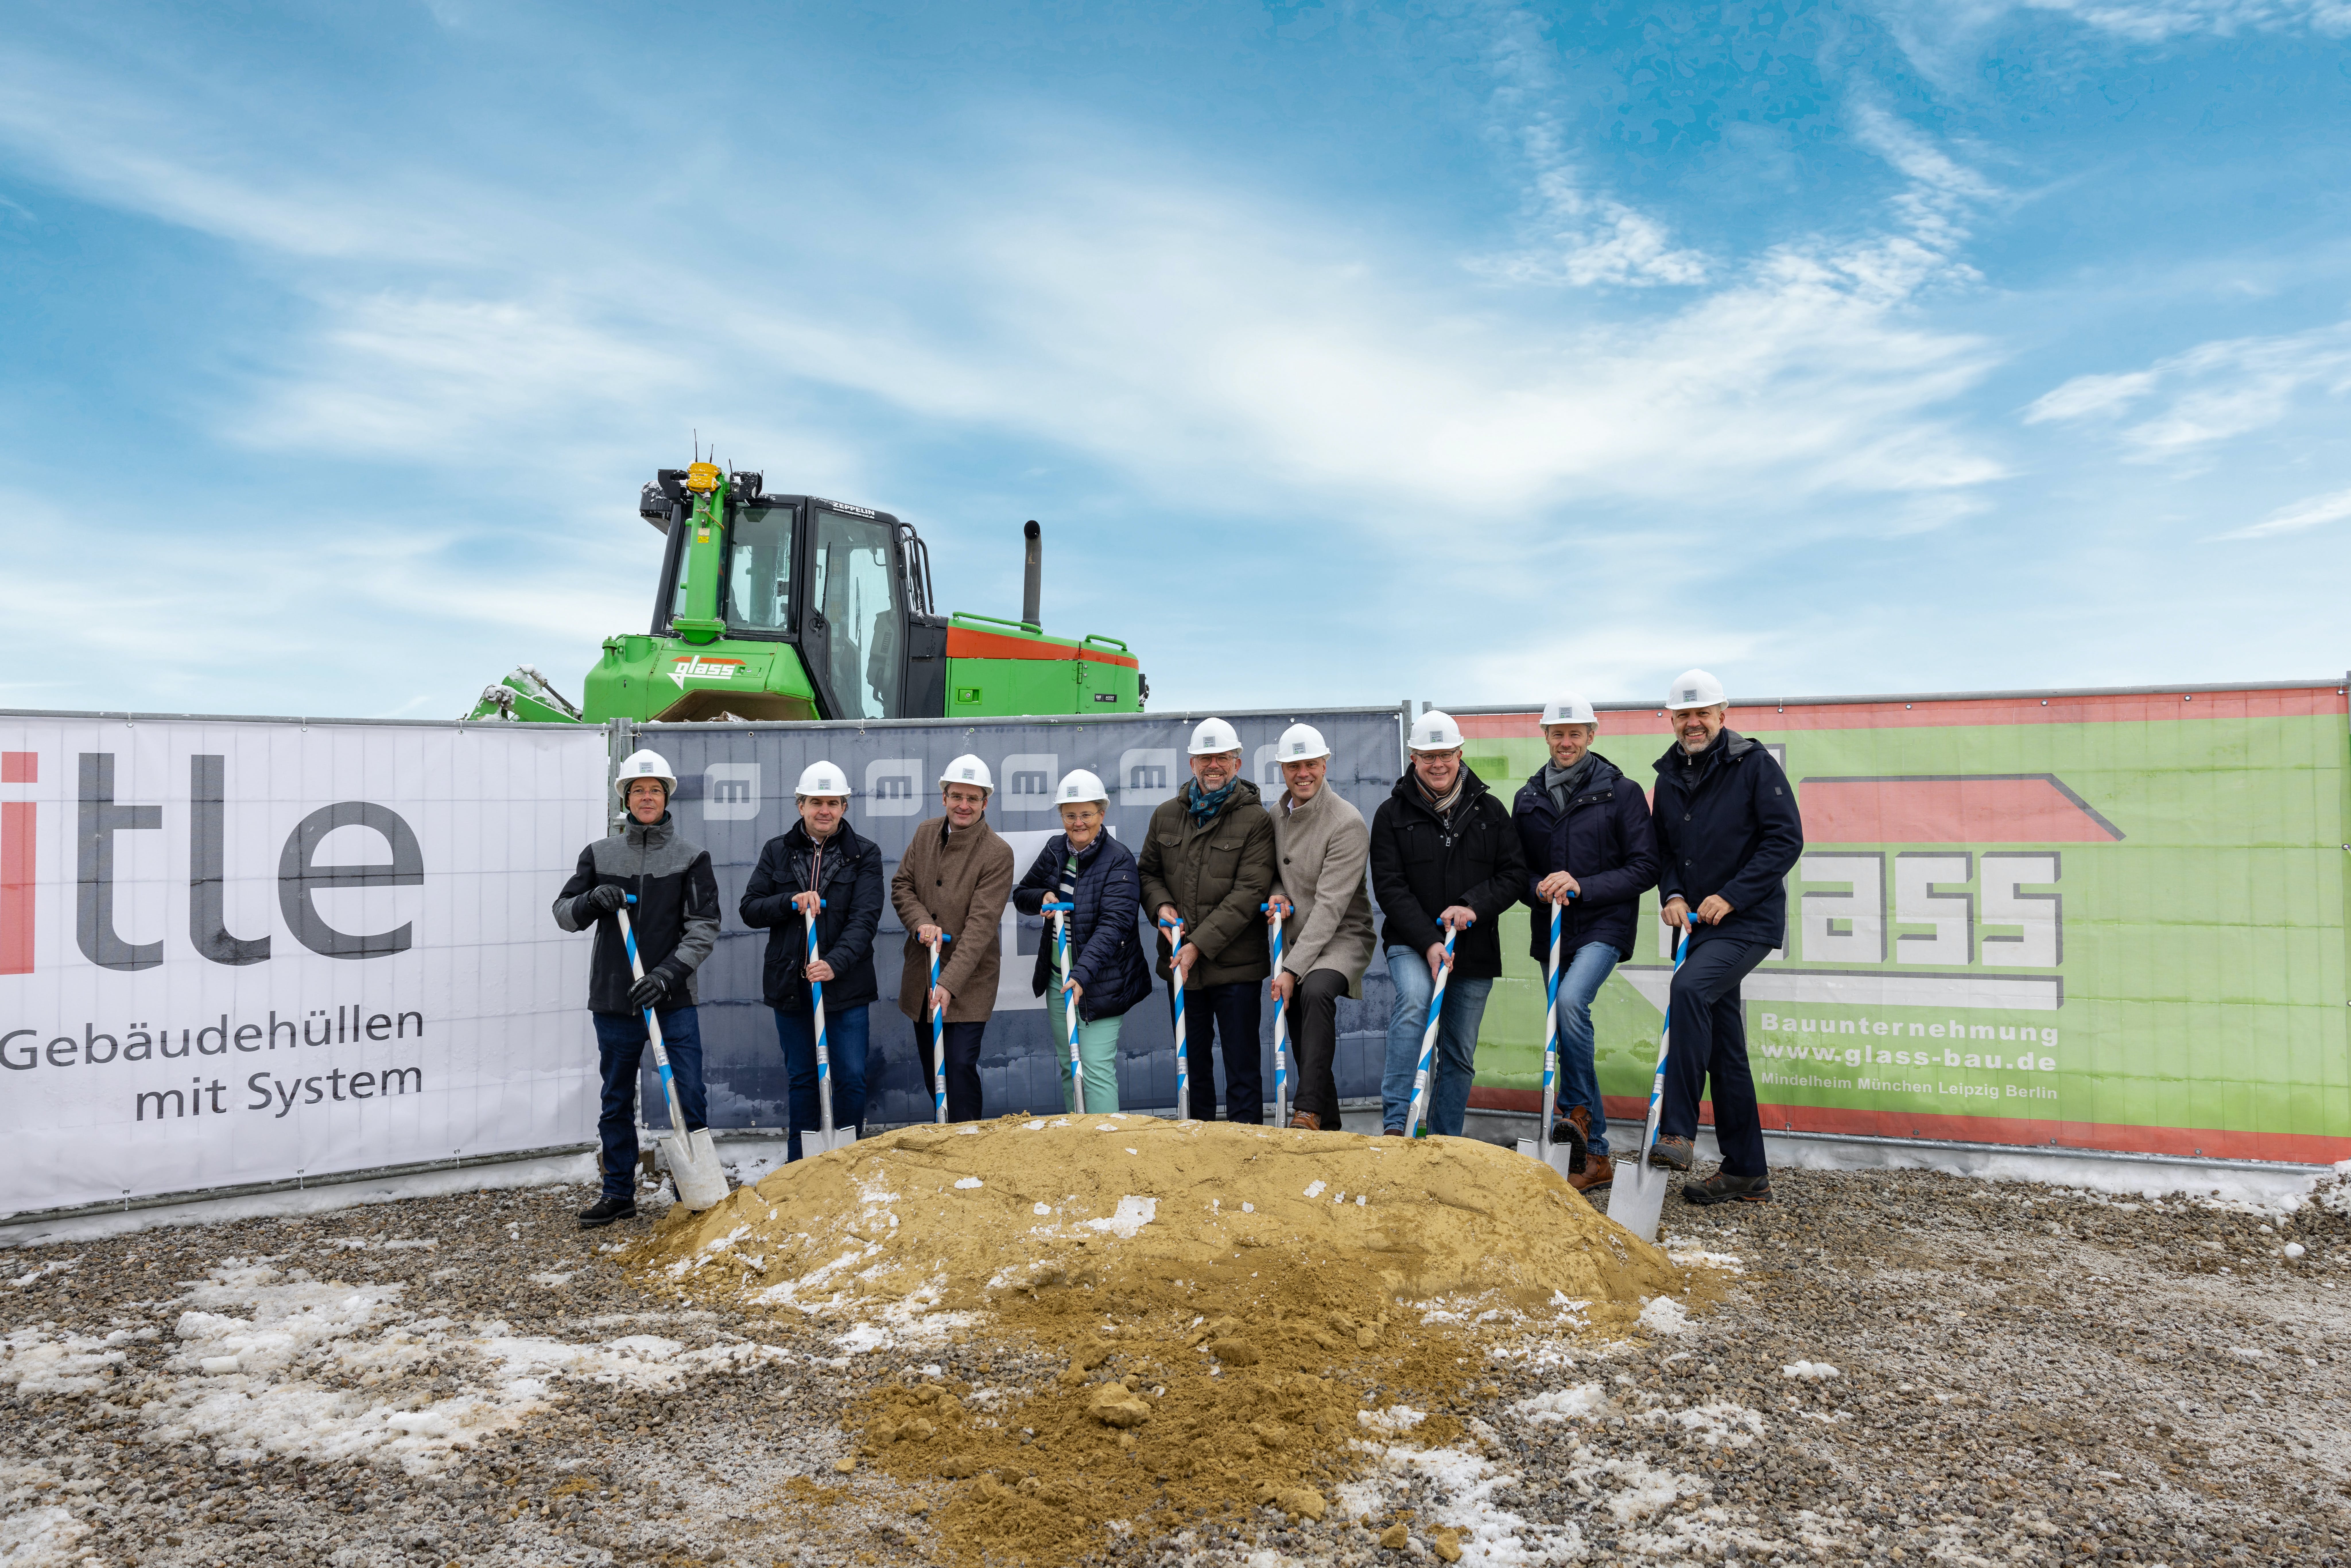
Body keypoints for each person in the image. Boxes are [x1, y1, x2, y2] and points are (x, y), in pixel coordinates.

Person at [1648, 668, 1804, 1205]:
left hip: (1747, 920)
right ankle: (1746, 1171)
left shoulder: (1753, 765)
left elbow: (1786, 839)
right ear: (1671, 719)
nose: (1693, 723)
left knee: (1689, 989)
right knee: (1726, 1051)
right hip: (1697, 925)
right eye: (1683, 715)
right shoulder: (1667, 776)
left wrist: (1732, 894)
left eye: (1702, 714)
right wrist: (1671, 894)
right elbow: (1665, 850)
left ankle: (1676, 1130)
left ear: (1722, 714)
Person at [552, 749, 720, 1227]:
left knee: (689, 1091)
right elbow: (564, 914)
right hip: (614, 996)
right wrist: (591, 898)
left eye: (655, 789)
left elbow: (704, 926)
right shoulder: (601, 854)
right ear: (626, 796)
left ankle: (696, 1187)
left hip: (672, 998)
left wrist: (667, 974)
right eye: (638, 789)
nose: (647, 797)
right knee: (616, 1096)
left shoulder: (690, 856)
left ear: (667, 795)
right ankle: (618, 1191)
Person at [1510, 694, 1659, 1193]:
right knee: (1566, 1026)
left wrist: (1582, 885)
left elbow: (1644, 867)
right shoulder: (1528, 798)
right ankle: (1595, 1155)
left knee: (1573, 1001)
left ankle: (1573, 1109)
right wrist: (1538, 887)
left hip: (1603, 923)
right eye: (1558, 733)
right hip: (1551, 929)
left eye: (1576, 733)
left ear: (1592, 735)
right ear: (1545, 735)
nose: (1566, 741)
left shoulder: (1621, 792)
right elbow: (1518, 870)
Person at [1368, 710, 1528, 1138]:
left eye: (1446, 755)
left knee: (1458, 1050)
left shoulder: (1491, 811)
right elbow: (1389, 886)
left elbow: (1514, 875)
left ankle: (1444, 1139)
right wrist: (1427, 942)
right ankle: (1397, 1128)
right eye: (1427, 756)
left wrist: (1473, 907)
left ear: (1460, 754)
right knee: (1415, 1005)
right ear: (1413, 758)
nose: (1438, 764)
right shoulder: (1391, 815)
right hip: (1411, 943)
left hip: (1473, 950)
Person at [740, 759, 886, 1161]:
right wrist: (790, 901)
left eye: (834, 802)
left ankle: (847, 1159)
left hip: (846, 987)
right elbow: (750, 909)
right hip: (791, 986)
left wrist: (834, 964)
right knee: (803, 1080)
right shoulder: (778, 852)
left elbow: (865, 919)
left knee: (852, 1079)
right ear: (800, 805)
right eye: (817, 802)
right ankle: (800, 1165)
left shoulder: (865, 856)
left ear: (844, 808)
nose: (826, 810)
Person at [1138, 717, 1277, 1123]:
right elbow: (1148, 873)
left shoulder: (1256, 821)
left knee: (1242, 1066)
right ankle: (1196, 1147)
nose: (1213, 765)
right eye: (1205, 758)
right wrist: (1161, 907)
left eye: (1222, 757)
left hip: (1234, 967)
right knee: (1192, 1064)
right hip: (1181, 965)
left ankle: (1247, 1148)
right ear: (1191, 764)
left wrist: (1198, 945)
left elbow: (1250, 892)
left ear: (1237, 763)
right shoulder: (1166, 815)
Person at [1012, 769, 1153, 1114]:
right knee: (1069, 1066)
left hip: (1100, 981)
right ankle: (1078, 1144)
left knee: (1094, 1069)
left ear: (1102, 814)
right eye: (1070, 815)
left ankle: (1106, 1149)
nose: (1078, 823)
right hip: (1060, 979)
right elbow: (1021, 895)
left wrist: (1083, 975)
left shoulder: (1118, 859)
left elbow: (1114, 926)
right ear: (1061, 816)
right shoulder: (1056, 849)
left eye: (1086, 814)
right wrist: (1043, 896)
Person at [1261, 723, 1375, 1131]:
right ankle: (1329, 1128)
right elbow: (1274, 870)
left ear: (1325, 765)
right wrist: (1277, 891)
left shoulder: (1347, 822)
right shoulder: (1276, 814)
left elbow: (1331, 907)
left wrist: (1291, 971)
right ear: (1283, 770)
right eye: (1293, 766)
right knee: (1299, 1027)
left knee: (1315, 992)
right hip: (1296, 936)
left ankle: (1306, 1112)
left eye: (1310, 764)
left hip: (1343, 937)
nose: (1302, 773)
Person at [891, 754, 1016, 1122]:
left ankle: (968, 1142)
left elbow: (981, 927)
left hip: (968, 980)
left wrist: (948, 982)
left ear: (985, 803)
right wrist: (919, 924)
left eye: (973, 798)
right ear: (943, 797)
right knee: (935, 1069)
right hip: (921, 976)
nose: (964, 805)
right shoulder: (925, 833)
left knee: (959, 1065)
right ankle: (945, 1134)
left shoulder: (997, 853)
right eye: (957, 796)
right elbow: (902, 886)